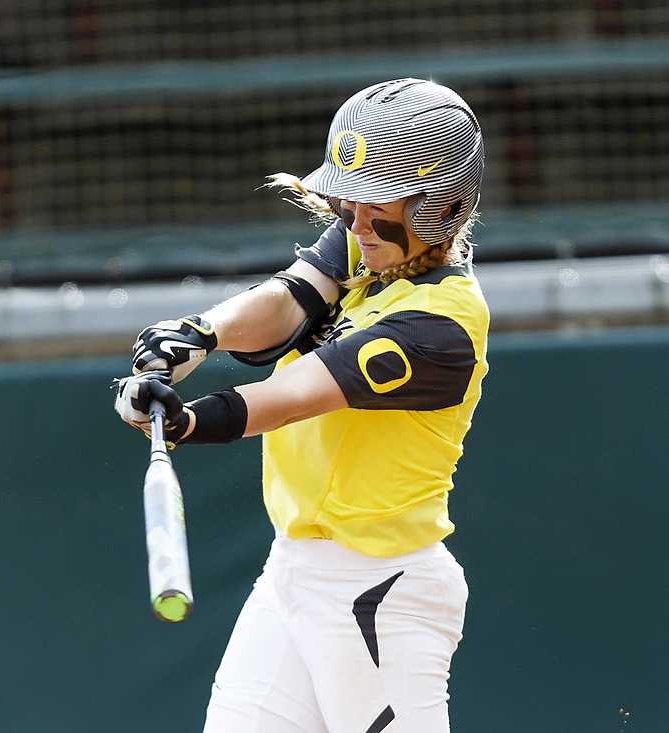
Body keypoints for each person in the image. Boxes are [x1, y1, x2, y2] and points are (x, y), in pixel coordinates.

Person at [114, 78, 489, 733]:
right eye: (349, 204)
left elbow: (295, 395)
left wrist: (186, 419)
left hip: (378, 592)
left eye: (376, 205)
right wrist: (196, 336)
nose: (353, 219)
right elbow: (288, 300)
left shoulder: (442, 322)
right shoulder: (369, 247)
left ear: (442, 207)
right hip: (294, 572)